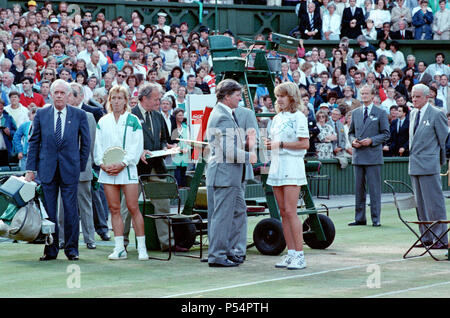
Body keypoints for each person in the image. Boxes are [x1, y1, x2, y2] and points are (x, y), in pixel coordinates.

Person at [25, 79, 91, 261]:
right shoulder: (41, 114)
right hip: (47, 170)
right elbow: (34, 143)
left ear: (69, 95)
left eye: (63, 93)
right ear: (51, 94)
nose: (60, 96)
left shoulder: (79, 115)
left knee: (70, 211)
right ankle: (50, 250)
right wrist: (30, 168)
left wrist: (80, 165)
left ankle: (72, 250)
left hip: (70, 170)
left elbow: (86, 144)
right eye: (57, 93)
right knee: (49, 213)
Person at [120, 83, 183, 252]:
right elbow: (123, 143)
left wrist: (166, 147)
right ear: (144, 98)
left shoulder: (158, 116)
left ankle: (167, 244)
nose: (159, 102)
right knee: (127, 208)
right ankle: (122, 244)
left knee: (163, 205)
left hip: (157, 167)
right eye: (155, 99)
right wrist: (138, 151)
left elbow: (163, 139)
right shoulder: (130, 116)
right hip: (135, 169)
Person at [205, 79, 257, 267]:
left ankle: (228, 251)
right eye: (237, 95)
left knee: (237, 212)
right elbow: (229, 151)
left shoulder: (223, 113)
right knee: (222, 217)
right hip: (225, 175)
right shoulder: (223, 116)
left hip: (228, 175)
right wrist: (249, 156)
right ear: (227, 97)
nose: (239, 98)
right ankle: (217, 255)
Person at [94, 85, 148, 261]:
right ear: (110, 100)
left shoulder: (133, 120)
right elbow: (98, 146)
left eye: (120, 98)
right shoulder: (103, 121)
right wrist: (102, 164)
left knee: (133, 208)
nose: (116, 101)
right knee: (114, 209)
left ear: (126, 100)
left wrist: (124, 163)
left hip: (128, 170)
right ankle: (119, 248)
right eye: (113, 98)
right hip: (108, 171)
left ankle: (141, 247)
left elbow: (136, 146)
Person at [264, 82, 309, 270]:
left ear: (291, 97)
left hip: (292, 165)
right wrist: (270, 145)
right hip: (277, 166)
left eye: (282, 95)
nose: (279, 99)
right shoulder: (276, 118)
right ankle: (290, 254)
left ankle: (300, 255)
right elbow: (274, 143)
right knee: (283, 212)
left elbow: (304, 144)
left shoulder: (299, 117)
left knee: (291, 212)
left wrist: (280, 144)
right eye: (277, 96)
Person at [408, 83, 448, 249]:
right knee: (420, 205)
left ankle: (441, 239)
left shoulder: (437, 114)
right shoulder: (412, 114)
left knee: (434, 204)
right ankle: (426, 237)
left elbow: (444, 141)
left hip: (429, 165)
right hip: (414, 164)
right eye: (412, 96)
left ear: (427, 97)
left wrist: (438, 162)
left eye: (417, 96)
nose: (414, 99)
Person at [348, 85, 390, 227]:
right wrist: (353, 141)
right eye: (362, 93)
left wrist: (371, 141)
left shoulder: (381, 112)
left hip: (373, 156)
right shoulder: (355, 113)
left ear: (373, 96)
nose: (364, 96)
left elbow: (386, 134)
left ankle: (376, 218)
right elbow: (351, 132)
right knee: (359, 189)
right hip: (358, 155)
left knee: (374, 189)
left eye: (366, 93)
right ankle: (360, 218)